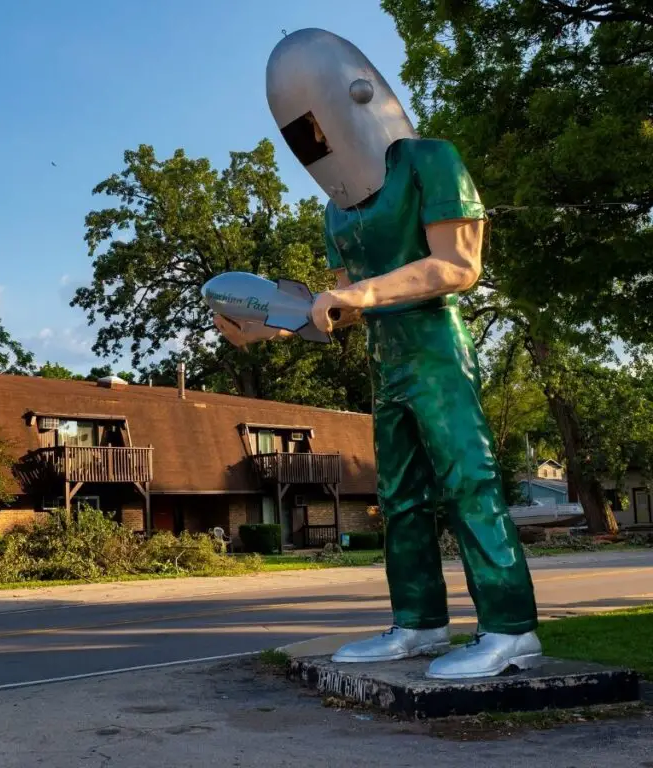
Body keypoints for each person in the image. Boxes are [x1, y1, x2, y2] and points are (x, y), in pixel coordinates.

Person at [214, 28, 541, 679]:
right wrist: (270, 324)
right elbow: (334, 308)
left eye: (314, 124)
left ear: (355, 96)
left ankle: (510, 629)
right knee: (400, 498)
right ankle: (417, 622)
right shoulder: (335, 214)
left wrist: (361, 292)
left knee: (468, 483)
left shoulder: (431, 160)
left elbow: (458, 264)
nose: (314, 143)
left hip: (438, 354)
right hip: (387, 366)